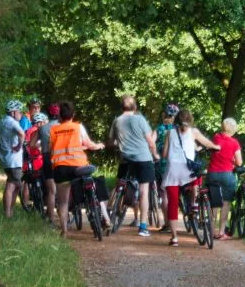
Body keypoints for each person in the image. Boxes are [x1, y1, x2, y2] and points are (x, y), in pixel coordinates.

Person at [162, 108, 220, 246]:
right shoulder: (193, 132)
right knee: (197, 175)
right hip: (188, 171)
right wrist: (216, 147)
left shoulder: (170, 133)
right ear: (190, 120)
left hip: (172, 171)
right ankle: (194, 204)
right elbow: (207, 143)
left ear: (176, 120)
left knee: (173, 203)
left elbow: (164, 154)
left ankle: (175, 238)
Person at [49, 100, 105, 237]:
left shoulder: (53, 130)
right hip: (78, 166)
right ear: (73, 115)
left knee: (62, 201)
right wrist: (98, 145)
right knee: (92, 186)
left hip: (60, 168)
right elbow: (88, 144)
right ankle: (102, 215)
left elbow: (52, 150)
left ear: (60, 116)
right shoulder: (77, 127)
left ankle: (64, 231)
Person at [108, 96, 160, 237]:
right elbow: (150, 142)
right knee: (144, 191)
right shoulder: (140, 119)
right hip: (143, 158)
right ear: (135, 108)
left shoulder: (117, 121)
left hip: (125, 158)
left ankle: (107, 214)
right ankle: (143, 227)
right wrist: (155, 154)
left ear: (121, 108)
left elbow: (111, 142)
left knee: (119, 182)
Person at [207, 117, 243, 240]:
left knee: (214, 203)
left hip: (213, 174)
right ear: (233, 130)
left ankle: (211, 231)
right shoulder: (235, 143)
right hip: (227, 174)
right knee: (226, 203)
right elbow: (239, 162)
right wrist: (232, 160)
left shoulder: (216, 138)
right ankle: (221, 232)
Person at [0, 100, 25, 217]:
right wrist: (19, 146)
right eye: (19, 111)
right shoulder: (13, 122)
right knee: (12, 185)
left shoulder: (1, 121)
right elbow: (22, 134)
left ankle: (10, 211)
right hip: (13, 159)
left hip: (5, 158)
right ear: (13, 112)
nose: (21, 114)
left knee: (16, 184)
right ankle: (8, 213)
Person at [155, 103, 179, 232]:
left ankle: (167, 223)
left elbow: (151, 143)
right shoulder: (178, 129)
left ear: (164, 114)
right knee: (175, 193)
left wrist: (154, 154)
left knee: (164, 194)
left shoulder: (160, 129)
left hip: (162, 164)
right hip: (177, 164)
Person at [37, 103, 60, 224]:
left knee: (51, 191)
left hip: (47, 158)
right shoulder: (63, 127)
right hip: (61, 159)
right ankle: (64, 219)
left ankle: (51, 219)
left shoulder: (42, 128)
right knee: (63, 189)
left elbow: (31, 144)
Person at [22, 112, 47, 211]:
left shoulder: (27, 131)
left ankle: (25, 204)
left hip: (29, 161)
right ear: (40, 123)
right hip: (39, 160)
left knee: (28, 184)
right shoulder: (39, 131)